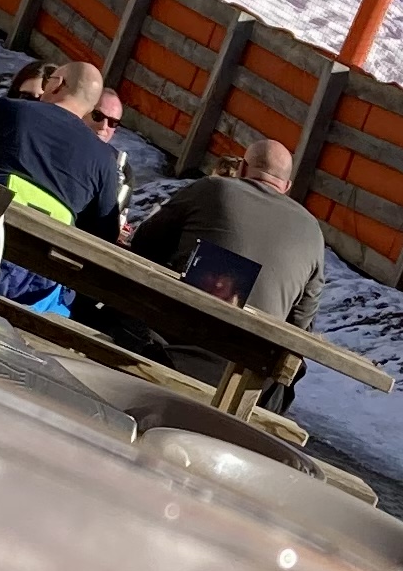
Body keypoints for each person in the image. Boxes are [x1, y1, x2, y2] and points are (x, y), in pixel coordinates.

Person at [112, 122, 325, 387]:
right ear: (287, 186)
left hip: (170, 352)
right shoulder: (312, 231)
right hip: (249, 380)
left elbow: (145, 244)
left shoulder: (213, 189)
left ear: (242, 169)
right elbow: (301, 323)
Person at [0, 51, 125, 242]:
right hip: (45, 254)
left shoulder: (9, 110)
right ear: (91, 106)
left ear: (58, 84)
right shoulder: (104, 159)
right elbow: (105, 234)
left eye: (50, 80)